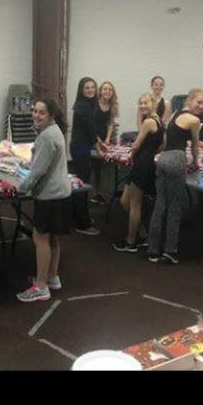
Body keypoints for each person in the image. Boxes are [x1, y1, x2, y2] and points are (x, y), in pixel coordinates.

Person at [16, 99, 72, 303]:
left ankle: (41, 287)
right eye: (35, 111)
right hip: (61, 193)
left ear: (51, 115)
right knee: (53, 238)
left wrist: (19, 188)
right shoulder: (55, 131)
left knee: (40, 239)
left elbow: (37, 172)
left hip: (50, 196)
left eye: (41, 113)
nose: (36, 115)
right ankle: (52, 277)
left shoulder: (47, 136)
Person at [147, 89, 203, 265]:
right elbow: (195, 145)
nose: (201, 106)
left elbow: (166, 138)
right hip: (177, 159)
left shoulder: (175, 114)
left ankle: (152, 249)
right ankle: (170, 251)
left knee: (160, 204)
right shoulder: (194, 120)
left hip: (163, 158)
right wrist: (195, 162)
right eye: (199, 102)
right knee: (174, 207)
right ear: (190, 100)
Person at [112, 93, 164, 253]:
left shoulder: (148, 122)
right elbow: (162, 145)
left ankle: (130, 242)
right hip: (146, 162)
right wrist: (150, 152)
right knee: (124, 201)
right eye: (140, 103)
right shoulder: (160, 121)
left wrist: (132, 156)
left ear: (153, 104)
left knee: (135, 204)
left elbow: (135, 145)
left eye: (145, 103)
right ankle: (142, 234)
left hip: (142, 164)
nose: (142, 106)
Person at [70, 77, 101, 235]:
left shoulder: (85, 105)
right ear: (81, 90)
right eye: (87, 88)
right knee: (82, 186)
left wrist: (98, 142)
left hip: (80, 147)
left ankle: (79, 217)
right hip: (80, 148)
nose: (90, 90)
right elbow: (90, 130)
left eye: (92, 87)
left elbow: (90, 130)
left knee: (80, 184)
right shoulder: (84, 106)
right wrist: (99, 147)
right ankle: (82, 224)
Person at [90, 81, 119, 204]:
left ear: (112, 93)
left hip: (104, 138)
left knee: (103, 165)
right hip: (93, 137)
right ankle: (95, 193)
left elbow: (110, 123)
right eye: (105, 89)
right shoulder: (95, 105)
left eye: (110, 89)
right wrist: (99, 141)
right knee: (95, 166)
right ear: (100, 91)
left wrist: (107, 139)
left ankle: (103, 190)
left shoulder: (112, 106)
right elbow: (90, 125)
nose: (107, 91)